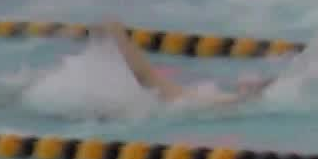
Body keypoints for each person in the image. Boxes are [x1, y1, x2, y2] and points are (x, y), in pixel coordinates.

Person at [97, 21, 275, 109]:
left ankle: (115, 31)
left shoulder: (188, 101)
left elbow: (146, 78)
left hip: (189, 101)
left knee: (156, 87)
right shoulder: (213, 99)